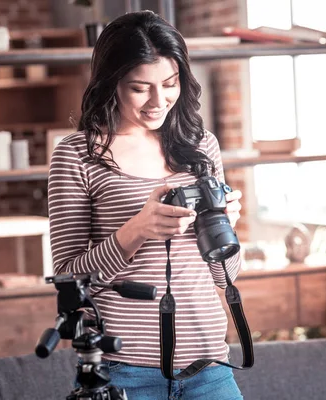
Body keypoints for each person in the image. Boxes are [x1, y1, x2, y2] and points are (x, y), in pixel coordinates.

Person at [48, 10, 244, 400]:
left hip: (209, 366)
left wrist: (226, 229)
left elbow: (225, 278)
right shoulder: (77, 156)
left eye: (170, 84)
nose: (159, 101)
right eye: (140, 88)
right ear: (111, 83)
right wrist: (136, 230)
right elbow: (69, 279)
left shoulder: (200, 145)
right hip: (123, 371)